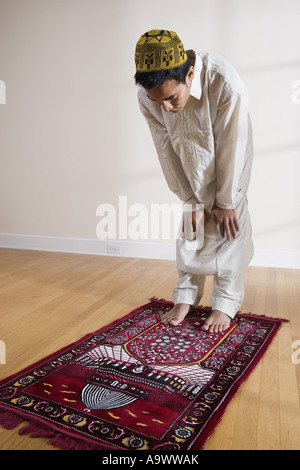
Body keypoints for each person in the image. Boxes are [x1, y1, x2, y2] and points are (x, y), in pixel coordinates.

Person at [134, 30, 253, 333]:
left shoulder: (222, 81)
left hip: (230, 161)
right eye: (156, 100)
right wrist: (189, 199)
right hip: (187, 162)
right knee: (191, 227)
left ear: (189, 74)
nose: (166, 108)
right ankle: (186, 296)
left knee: (228, 227)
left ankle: (225, 302)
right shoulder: (150, 98)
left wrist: (225, 200)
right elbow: (164, 148)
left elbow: (232, 144)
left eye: (171, 97)